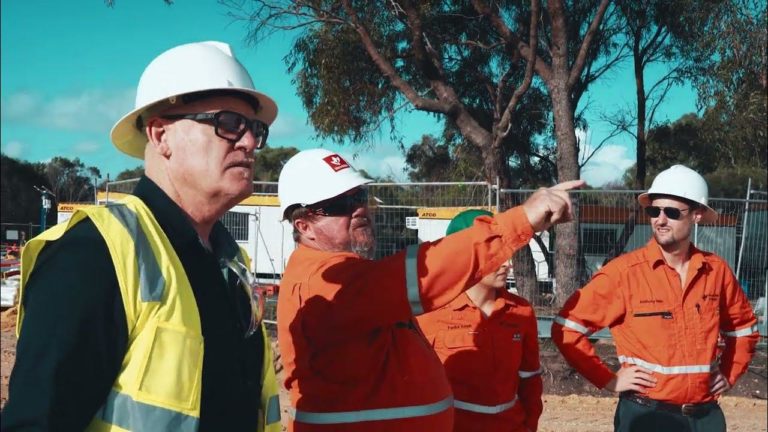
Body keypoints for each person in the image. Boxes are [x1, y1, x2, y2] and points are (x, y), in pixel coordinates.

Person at [4, 41, 282, 432]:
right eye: (229, 123)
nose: (250, 142)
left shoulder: (232, 264)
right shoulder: (94, 254)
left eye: (255, 129)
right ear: (160, 135)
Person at [276, 148, 583, 431]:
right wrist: (519, 221)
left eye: (360, 196)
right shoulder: (326, 283)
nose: (359, 209)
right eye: (341, 204)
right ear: (304, 226)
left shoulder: (344, 275)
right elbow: (424, 271)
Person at [551, 164, 759, 432]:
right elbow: (567, 328)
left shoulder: (716, 271)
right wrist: (609, 379)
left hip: (705, 418)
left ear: (696, 214)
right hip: (646, 417)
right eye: (654, 211)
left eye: (671, 212)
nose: (660, 220)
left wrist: (730, 373)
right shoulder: (623, 273)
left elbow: (744, 329)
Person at [415, 209, 543, 432]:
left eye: (506, 252)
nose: (507, 264)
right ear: (465, 256)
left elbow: (530, 379)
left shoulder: (521, 312)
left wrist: (529, 427)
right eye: (494, 254)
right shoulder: (429, 314)